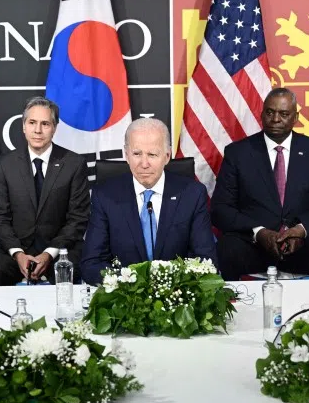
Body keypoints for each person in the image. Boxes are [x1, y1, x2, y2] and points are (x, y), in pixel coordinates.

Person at [210, 88, 309, 280]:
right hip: (253, 243)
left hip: (302, 245)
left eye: (283, 114)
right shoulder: (238, 153)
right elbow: (220, 210)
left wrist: (300, 231)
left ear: (295, 117)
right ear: (262, 113)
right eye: (270, 112)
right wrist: (259, 232)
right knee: (227, 248)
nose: (275, 119)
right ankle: (226, 308)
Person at [80, 118, 217, 284]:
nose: (144, 164)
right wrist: (130, 284)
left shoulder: (192, 194)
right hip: (126, 298)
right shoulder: (105, 196)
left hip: (176, 295)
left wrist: (168, 284)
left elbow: (206, 260)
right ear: (126, 155)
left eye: (152, 154)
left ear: (167, 156)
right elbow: (91, 264)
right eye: (137, 154)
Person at [0, 96, 90, 285]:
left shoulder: (74, 164)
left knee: (71, 274)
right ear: (24, 126)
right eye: (32, 122)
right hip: (17, 247)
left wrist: (49, 254)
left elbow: (78, 219)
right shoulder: (5, 164)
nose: (38, 130)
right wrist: (18, 254)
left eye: (45, 124)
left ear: (54, 128)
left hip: (59, 248)